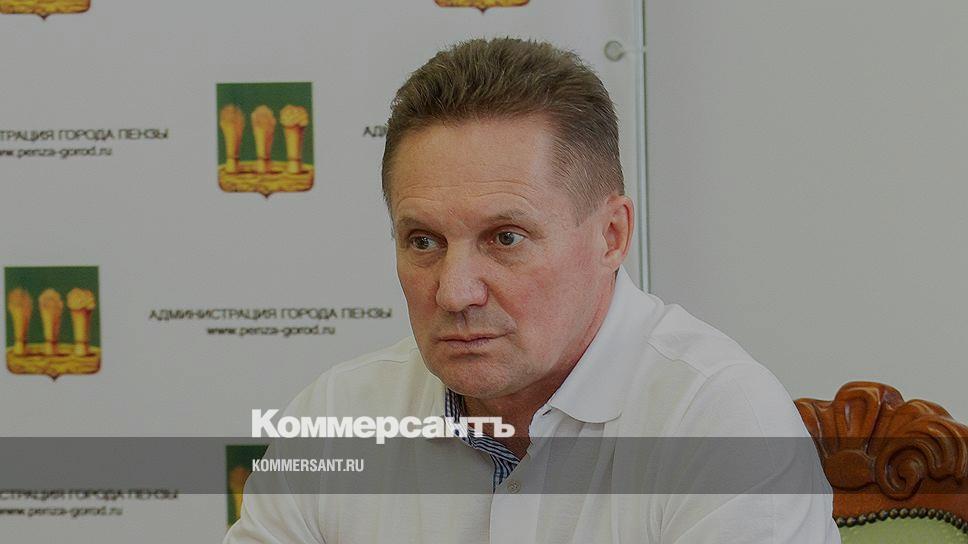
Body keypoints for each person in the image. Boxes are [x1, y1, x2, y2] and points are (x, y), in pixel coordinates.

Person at [224, 37, 840, 543]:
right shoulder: (337, 417)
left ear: (611, 235)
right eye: (423, 241)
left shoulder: (720, 422)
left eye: (506, 238)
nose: (455, 293)